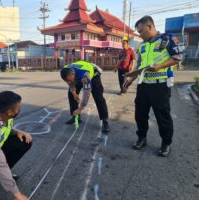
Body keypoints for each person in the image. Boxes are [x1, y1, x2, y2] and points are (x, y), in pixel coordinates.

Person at [123, 16, 183, 157]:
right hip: (143, 85)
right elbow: (139, 66)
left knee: (162, 116)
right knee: (140, 114)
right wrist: (130, 78)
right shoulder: (142, 45)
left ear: (150, 27)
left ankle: (166, 143)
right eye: (138, 32)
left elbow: (178, 57)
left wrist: (160, 66)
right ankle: (141, 138)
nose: (140, 34)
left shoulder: (167, 39)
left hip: (160, 85)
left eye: (142, 31)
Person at [60, 60, 109, 133]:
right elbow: (70, 82)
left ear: (73, 74)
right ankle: (76, 117)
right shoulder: (65, 70)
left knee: (98, 96)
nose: (69, 82)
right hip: (78, 74)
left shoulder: (85, 75)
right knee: (70, 94)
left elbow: (86, 94)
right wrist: (74, 93)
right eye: (67, 80)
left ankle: (105, 120)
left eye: (70, 80)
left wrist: (80, 109)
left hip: (93, 75)